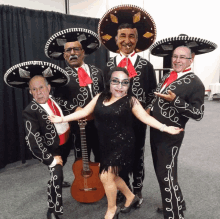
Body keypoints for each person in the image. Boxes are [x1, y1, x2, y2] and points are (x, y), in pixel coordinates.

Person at [49, 67, 183, 219]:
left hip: (123, 145)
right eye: (116, 82)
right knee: (110, 176)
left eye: (125, 83)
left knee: (105, 177)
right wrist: (62, 119)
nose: (120, 86)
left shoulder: (131, 100)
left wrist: (165, 127)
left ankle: (112, 210)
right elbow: (84, 112)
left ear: (129, 85)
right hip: (105, 144)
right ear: (109, 82)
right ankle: (131, 196)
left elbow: (146, 118)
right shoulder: (100, 97)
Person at [98, 5, 157, 206]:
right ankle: (123, 191)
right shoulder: (107, 67)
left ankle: (137, 189)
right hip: (113, 123)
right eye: (122, 36)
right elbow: (102, 95)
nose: (127, 40)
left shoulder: (146, 66)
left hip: (137, 123)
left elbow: (152, 94)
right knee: (116, 157)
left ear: (137, 39)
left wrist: (146, 111)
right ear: (115, 39)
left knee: (137, 155)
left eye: (131, 36)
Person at [4, 61, 77, 219]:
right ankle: (53, 210)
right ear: (30, 92)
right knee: (55, 177)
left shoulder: (54, 99)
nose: (38, 92)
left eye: (41, 88)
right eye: (34, 89)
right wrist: (50, 160)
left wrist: (78, 109)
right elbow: (33, 140)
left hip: (64, 143)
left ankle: (60, 180)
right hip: (52, 150)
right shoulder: (30, 111)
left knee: (61, 170)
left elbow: (67, 106)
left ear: (48, 88)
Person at [148, 46, 205, 219]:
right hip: (157, 129)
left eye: (182, 57)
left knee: (165, 174)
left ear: (191, 59)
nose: (177, 60)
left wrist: (175, 101)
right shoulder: (167, 75)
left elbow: (198, 114)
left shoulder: (196, 83)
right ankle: (178, 201)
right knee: (163, 171)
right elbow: (156, 97)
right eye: (175, 57)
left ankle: (174, 214)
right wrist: (149, 108)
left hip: (172, 134)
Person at [45, 28, 104, 165]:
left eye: (76, 49)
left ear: (83, 52)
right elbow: (57, 99)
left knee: (102, 156)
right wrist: (75, 109)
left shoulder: (98, 72)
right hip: (78, 126)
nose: (72, 53)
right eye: (68, 51)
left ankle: (103, 183)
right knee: (82, 159)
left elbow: (105, 93)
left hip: (100, 124)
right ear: (64, 55)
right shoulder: (61, 77)